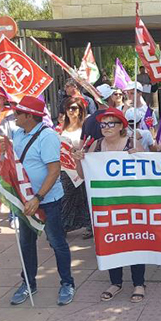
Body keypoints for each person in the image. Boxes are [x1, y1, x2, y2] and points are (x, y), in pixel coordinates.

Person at [72, 107, 146, 303]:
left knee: (135, 239)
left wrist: (139, 156)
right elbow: (82, 173)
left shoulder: (133, 143)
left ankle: (139, 283)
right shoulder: (95, 146)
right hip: (107, 203)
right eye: (103, 124)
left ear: (122, 125)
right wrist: (78, 159)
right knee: (112, 240)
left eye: (110, 123)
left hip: (132, 202)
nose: (105, 127)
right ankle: (116, 282)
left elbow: (149, 170)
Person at [8, 96, 75, 306]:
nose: (14, 116)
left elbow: (54, 171)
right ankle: (28, 283)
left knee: (57, 242)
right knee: (26, 243)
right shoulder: (17, 133)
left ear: (29, 116)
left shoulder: (47, 137)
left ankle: (67, 283)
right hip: (23, 199)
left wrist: (38, 198)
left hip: (48, 200)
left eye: (18, 113)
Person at [58, 97, 91, 238]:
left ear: (80, 111)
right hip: (65, 168)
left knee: (84, 197)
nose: (71, 111)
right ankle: (64, 226)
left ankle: (89, 226)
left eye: (74, 108)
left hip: (82, 167)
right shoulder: (61, 128)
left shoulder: (85, 127)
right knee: (66, 196)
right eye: (68, 108)